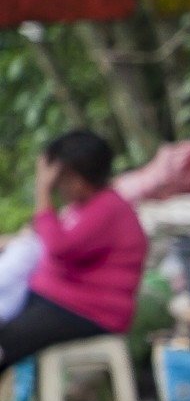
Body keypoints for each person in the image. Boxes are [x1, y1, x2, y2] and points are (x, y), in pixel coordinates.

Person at [0, 131, 147, 366]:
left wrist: (42, 192)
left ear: (75, 178)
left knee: (5, 343)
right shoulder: (85, 208)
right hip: (58, 302)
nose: (57, 187)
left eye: (58, 180)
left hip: (87, 312)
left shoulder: (109, 208)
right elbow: (46, 236)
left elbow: (59, 247)